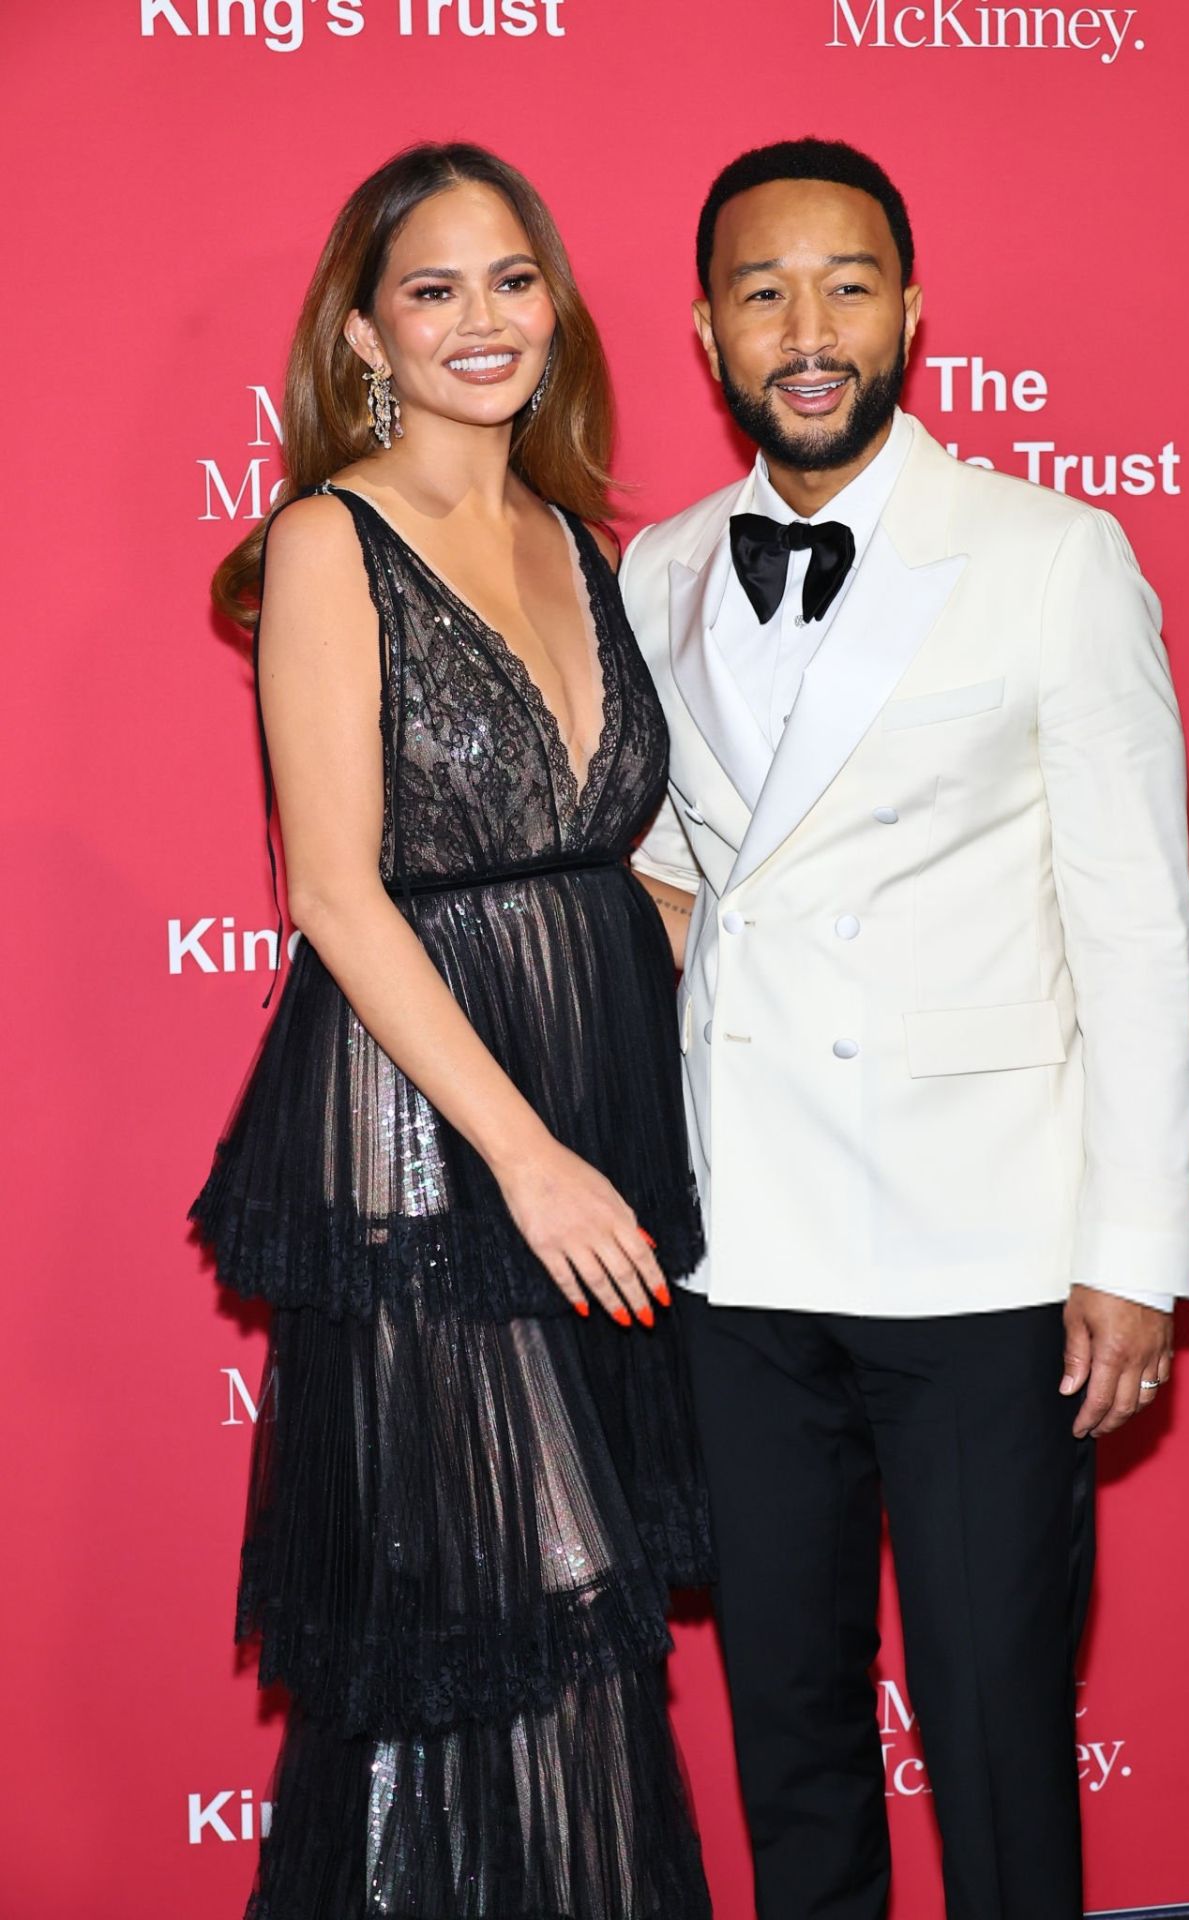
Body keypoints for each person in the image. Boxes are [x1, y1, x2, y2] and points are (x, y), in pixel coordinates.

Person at [624, 137, 1189, 1920]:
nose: (810, 329)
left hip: (982, 1250)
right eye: (764, 291)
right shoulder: (656, 573)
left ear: (913, 311)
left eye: (848, 285)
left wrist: (1133, 1251)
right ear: (710, 332)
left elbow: (1134, 917)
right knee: (790, 1733)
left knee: (996, 1732)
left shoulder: (1049, 557)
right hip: (746, 1256)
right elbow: (665, 876)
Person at [190, 141, 713, 1920]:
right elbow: (339, 894)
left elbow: (601, 868)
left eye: (511, 280)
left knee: (562, 1630)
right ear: (365, 331)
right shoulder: (333, 540)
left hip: (594, 1111)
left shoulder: (579, 539)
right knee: (513, 1630)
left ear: (555, 309)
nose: (480, 320)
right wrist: (533, 1161)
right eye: (434, 289)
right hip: (442, 1147)